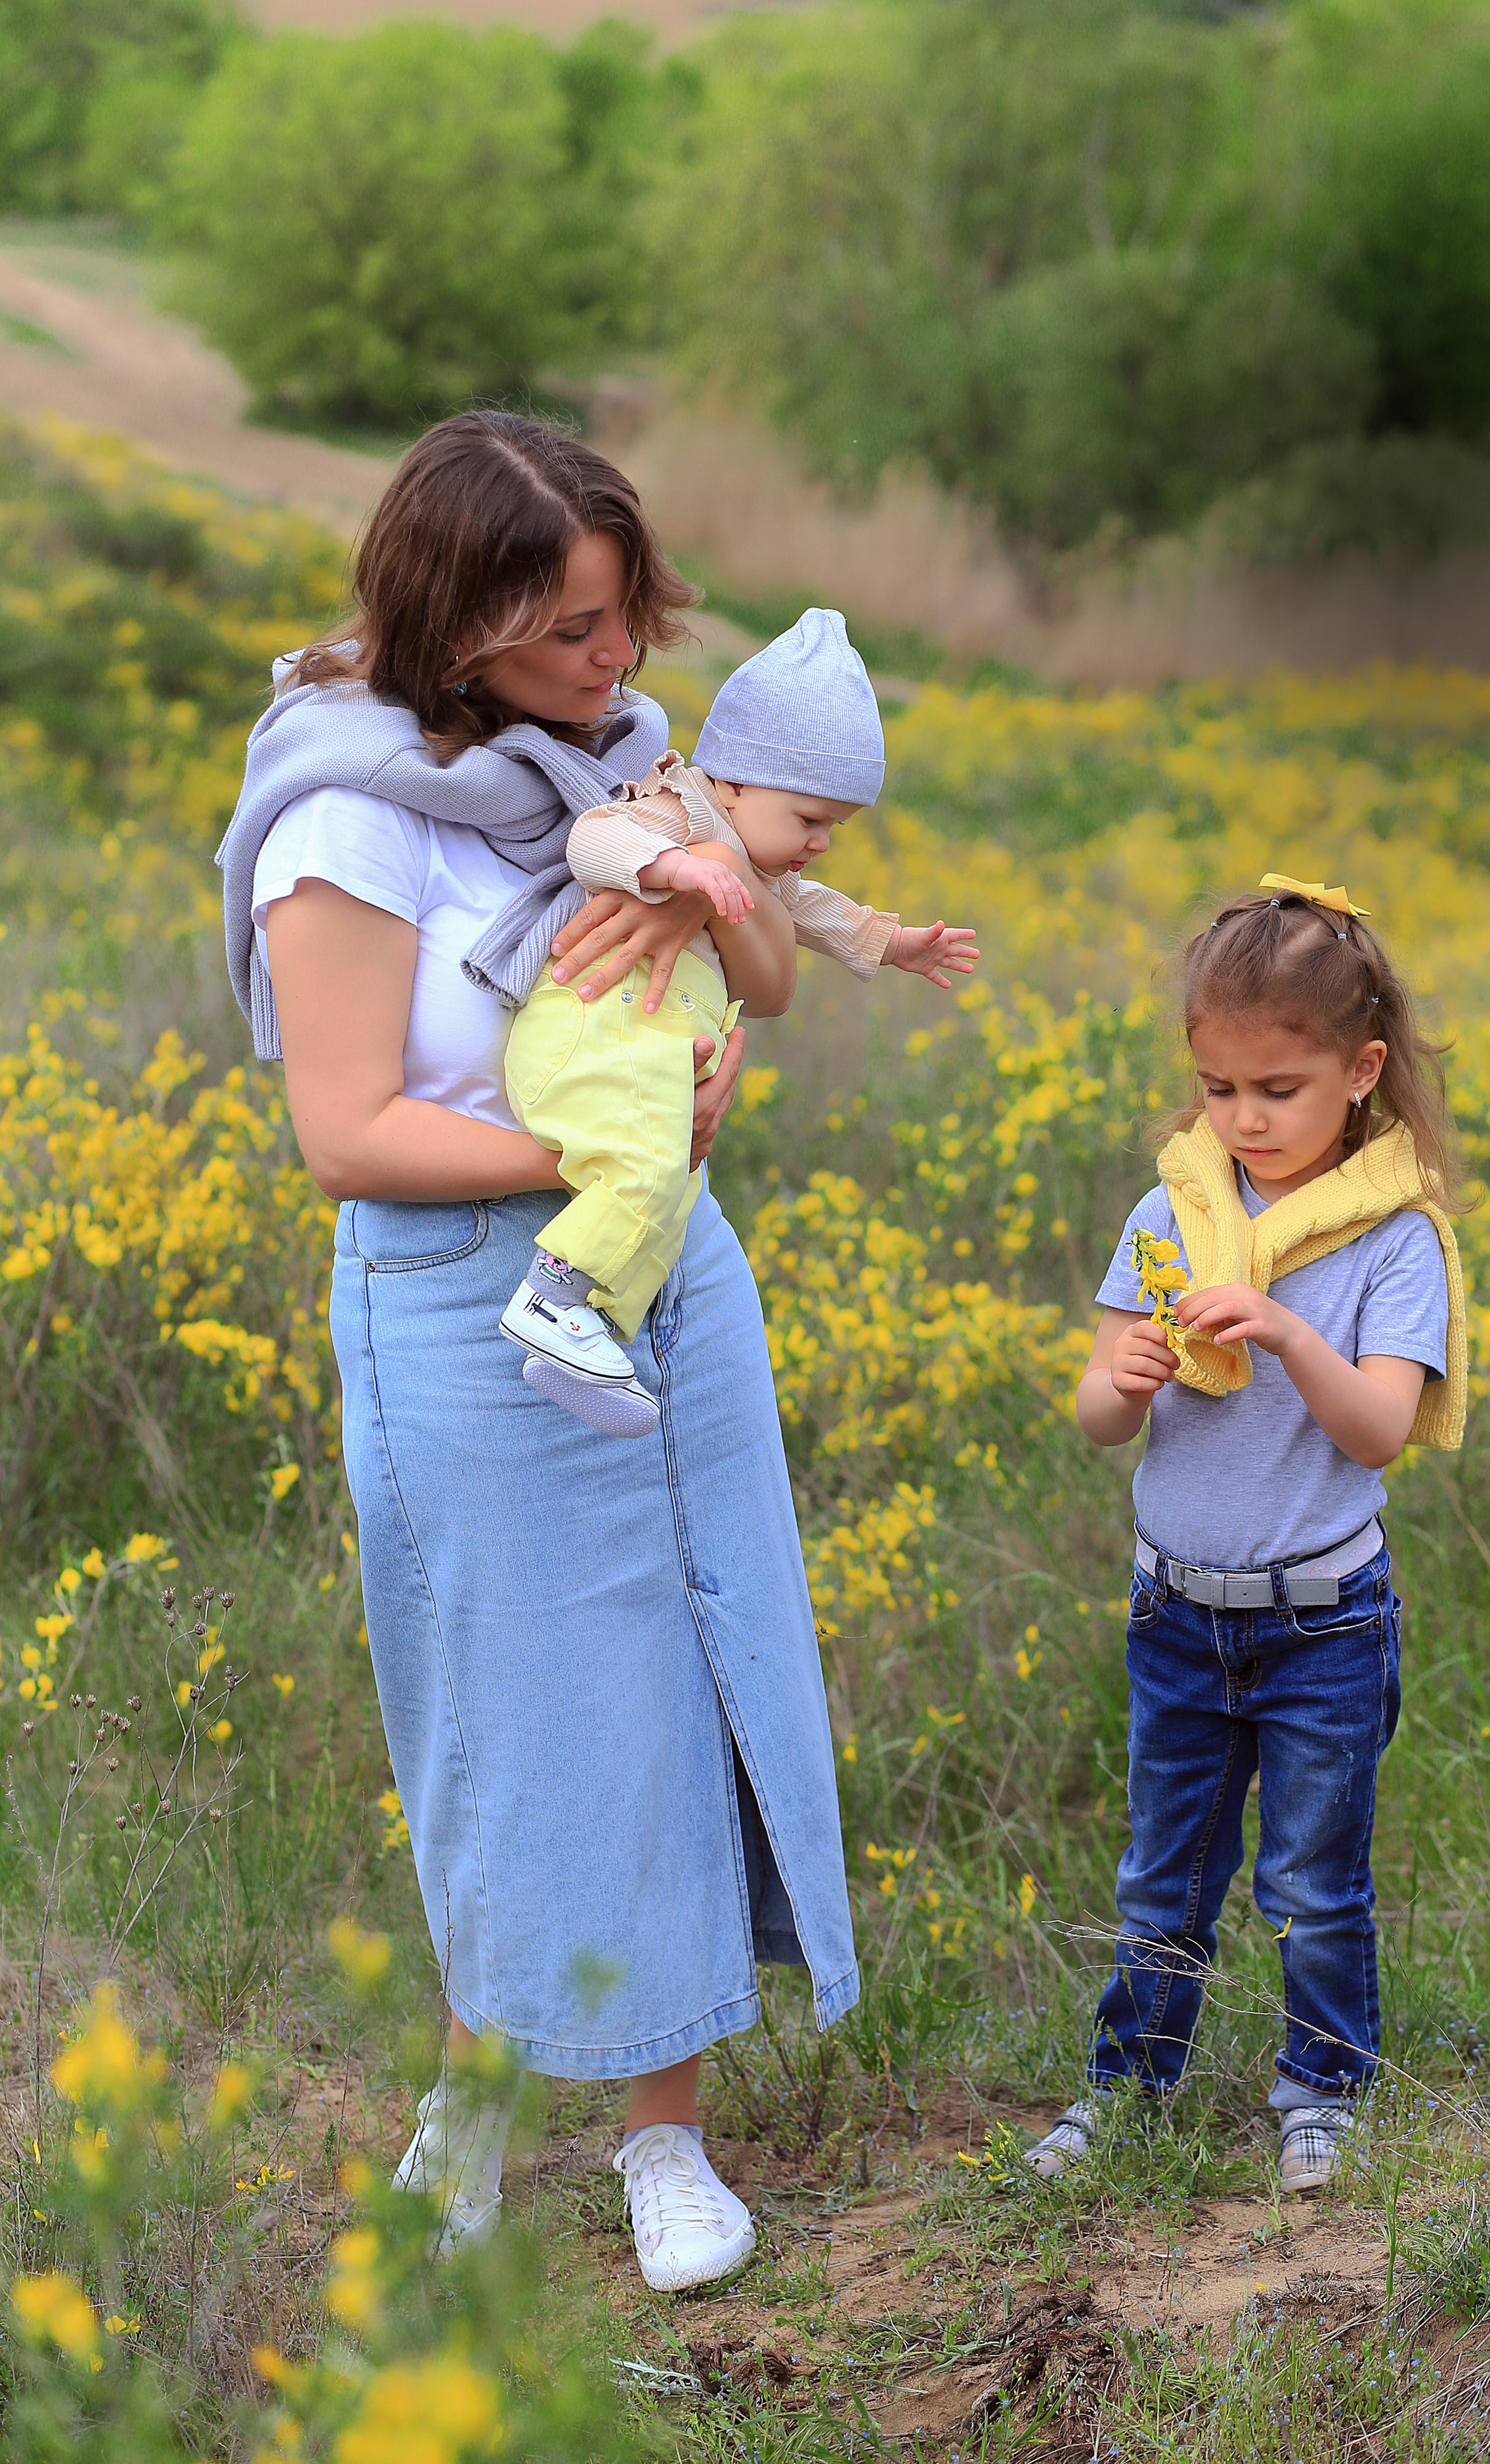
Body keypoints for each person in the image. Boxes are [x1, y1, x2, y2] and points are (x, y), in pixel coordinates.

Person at [216, 411, 859, 2293]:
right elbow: (346, 1132)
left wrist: (709, 1047)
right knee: (506, 1716)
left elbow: (738, 978)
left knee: (682, 1669)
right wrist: (606, 1145)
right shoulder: (344, 815)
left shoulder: (631, 762)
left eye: (627, 615)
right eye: (574, 628)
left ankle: (666, 2138)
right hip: (458, 1294)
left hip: (669, 1264)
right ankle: (477, 2104)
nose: (621, 662)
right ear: (463, 617)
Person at [1027, 875, 1466, 2195]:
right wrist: (1124, 1384)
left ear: (1359, 1070)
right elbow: (1096, 1410)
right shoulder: (1171, 1215)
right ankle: (1128, 2085)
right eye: (1218, 1089)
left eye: (1277, 1088)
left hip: (1322, 1621)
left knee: (1310, 1881)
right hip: (1175, 1613)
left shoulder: (1393, 1242)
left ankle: (1319, 2093)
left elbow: (1378, 1430)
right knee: (1161, 1872)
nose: (1243, 1119)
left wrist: (1278, 1331)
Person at [498, 606, 977, 1433]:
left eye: (835, 827)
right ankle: (553, 1299)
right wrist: (673, 866)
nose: (820, 844)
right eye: (810, 820)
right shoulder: (674, 811)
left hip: (637, 1051)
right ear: (733, 782)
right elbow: (594, 839)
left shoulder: (757, 863)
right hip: (591, 1035)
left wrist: (894, 944)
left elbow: (814, 914)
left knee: (669, 1185)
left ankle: (594, 1327)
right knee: (647, 1163)